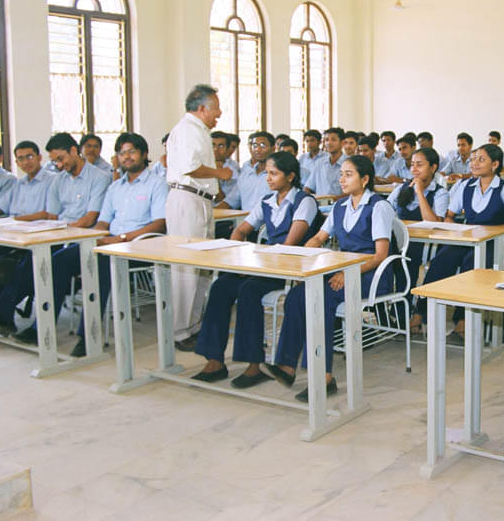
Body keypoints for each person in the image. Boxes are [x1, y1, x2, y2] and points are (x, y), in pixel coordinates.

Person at [264, 155, 395, 402]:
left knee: (320, 299)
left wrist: (348, 273)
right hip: (343, 273)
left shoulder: (379, 206)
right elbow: (320, 237)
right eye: (341, 174)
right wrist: (305, 251)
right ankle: (286, 366)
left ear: (365, 179)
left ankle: (324, 377)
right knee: (296, 295)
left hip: (370, 275)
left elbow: (380, 255)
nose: (341, 179)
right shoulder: (340, 206)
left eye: (349, 174)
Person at [193, 152, 320, 387]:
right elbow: (241, 230)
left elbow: (290, 244)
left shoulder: (305, 202)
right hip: (267, 264)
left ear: (291, 176)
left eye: (274, 174)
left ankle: (254, 364)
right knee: (221, 286)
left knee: (249, 289)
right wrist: (236, 251)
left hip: (291, 268)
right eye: (267, 174)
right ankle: (214, 360)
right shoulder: (267, 201)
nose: (269, 178)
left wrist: (255, 263)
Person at [0, 132, 112, 344]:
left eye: (61, 158)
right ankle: (13, 317)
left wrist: (60, 228)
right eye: (54, 160)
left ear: (74, 151)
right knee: (30, 260)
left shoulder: (99, 178)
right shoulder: (60, 180)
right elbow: (53, 216)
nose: (58, 164)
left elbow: (89, 219)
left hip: (83, 238)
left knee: (45, 263)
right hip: (59, 235)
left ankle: (8, 315)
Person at [55, 133, 167, 356]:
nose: (126, 157)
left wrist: (120, 239)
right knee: (57, 261)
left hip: (138, 246)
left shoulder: (157, 184)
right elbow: (103, 222)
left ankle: (87, 337)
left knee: (101, 267)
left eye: (132, 152)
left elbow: (159, 224)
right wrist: (92, 239)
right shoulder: (115, 187)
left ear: (144, 155)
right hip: (109, 243)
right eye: (122, 153)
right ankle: (39, 327)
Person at [414, 144, 504, 344]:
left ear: (495, 164)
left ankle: (462, 322)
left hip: (497, 243)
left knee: (471, 264)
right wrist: (453, 228)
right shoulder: (465, 186)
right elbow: (449, 216)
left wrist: (496, 229)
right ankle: (419, 314)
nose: (474, 163)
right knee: (441, 260)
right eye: (473, 159)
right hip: (470, 239)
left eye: (481, 160)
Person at [165, 84, 231, 351]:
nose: (220, 113)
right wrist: (220, 174)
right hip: (187, 200)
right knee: (187, 267)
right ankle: (180, 331)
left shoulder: (198, 130)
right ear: (202, 108)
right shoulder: (189, 130)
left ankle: (193, 325)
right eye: (215, 108)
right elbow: (191, 167)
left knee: (202, 268)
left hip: (200, 200)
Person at [387, 148, 450, 332]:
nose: (414, 169)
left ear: (433, 167)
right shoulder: (401, 189)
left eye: (420, 165)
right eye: (412, 164)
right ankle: (397, 314)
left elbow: (433, 223)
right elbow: (385, 209)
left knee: (405, 261)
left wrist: (420, 192)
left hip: (426, 245)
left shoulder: (440, 193)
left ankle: (410, 314)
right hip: (401, 242)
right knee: (391, 259)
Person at [216, 132, 275, 212]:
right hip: (245, 220)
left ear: (273, 148)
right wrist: (213, 212)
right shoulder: (247, 171)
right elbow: (233, 199)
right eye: (254, 145)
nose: (257, 149)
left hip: (269, 221)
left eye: (262, 145)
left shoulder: (278, 173)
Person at [304, 127, 346, 197]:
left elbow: (353, 191)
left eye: (333, 140)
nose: (329, 143)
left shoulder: (350, 163)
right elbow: (308, 187)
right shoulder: (319, 163)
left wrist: (336, 200)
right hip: (320, 205)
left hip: (341, 205)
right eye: (326, 140)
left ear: (342, 143)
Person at [211, 131, 238, 199]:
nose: (216, 149)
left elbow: (221, 198)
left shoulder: (232, 172)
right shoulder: (200, 166)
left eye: (221, 146)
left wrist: (215, 174)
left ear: (227, 149)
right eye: (213, 145)